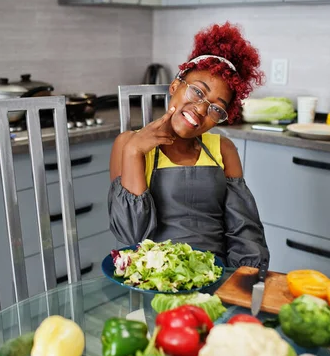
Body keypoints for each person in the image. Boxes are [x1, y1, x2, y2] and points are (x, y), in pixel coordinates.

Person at [107, 22, 270, 268]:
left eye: (216, 108)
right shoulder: (128, 144)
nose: (202, 109)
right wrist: (133, 151)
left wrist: (245, 283)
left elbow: (245, 232)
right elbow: (131, 237)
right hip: (156, 281)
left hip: (216, 277)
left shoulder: (223, 150)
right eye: (197, 92)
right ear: (175, 86)